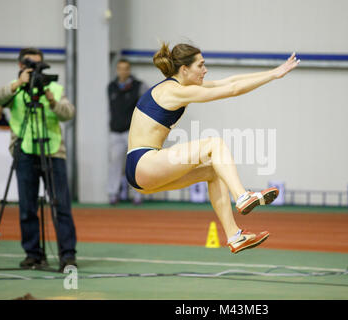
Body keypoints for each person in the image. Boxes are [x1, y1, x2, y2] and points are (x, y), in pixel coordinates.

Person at [126, 42, 300, 254]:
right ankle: (242, 196)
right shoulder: (174, 91)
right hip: (143, 162)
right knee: (214, 144)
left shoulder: (181, 88)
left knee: (214, 171)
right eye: (201, 65)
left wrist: (274, 72)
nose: (205, 70)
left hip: (142, 174)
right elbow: (233, 90)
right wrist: (274, 76)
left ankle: (234, 236)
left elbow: (230, 82)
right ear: (184, 70)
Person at [0, 48, 77, 271]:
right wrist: (17, 84)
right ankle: (33, 254)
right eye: (31, 64)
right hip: (24, 150)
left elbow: (68, 113)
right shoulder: (15, 87)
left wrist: (52, 101)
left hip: (53, 152)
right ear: (21, 65)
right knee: (27, 207)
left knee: (61, 205)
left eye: (40, 64)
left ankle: (67, 256)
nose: (36, 68)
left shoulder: (53, 88)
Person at [107, 59, 148, 205]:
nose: (122, 71)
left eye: (125, 68)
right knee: (114, 163)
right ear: (117, 70)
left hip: (133, 132)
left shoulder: (138, 86)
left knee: (136, 164)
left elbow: (148, 104)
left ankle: (138, 194)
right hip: (115, 131)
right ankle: (113, 193)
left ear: (129, 70)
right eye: (120, 68)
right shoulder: (111, 87)